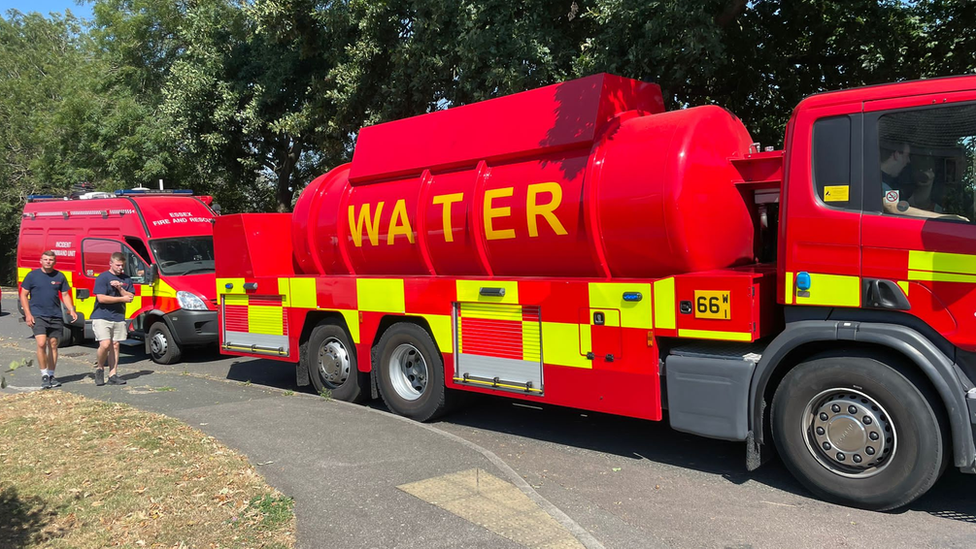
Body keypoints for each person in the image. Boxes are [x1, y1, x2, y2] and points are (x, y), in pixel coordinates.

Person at [19, 250, 78, 389]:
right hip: (38, 315)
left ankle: (51, 375)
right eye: (45, 259)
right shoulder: (32, 275)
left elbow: (65, 294)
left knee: (53, 345)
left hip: (55, 315)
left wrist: (71, 309)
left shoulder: (60, 276)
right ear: (41, 260)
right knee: (41, 343)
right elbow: (23, 295)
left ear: (54, 261)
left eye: (51, 260)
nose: (48, 262)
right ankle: (44, 374)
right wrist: (28, 314)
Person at [880, 142, 963, 220]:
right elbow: (893, 207)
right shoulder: (877, 181)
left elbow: (913, 204)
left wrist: (927, 184)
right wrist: (945, 218)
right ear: (897, 155)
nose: (908, 161)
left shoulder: (893, 182)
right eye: (906, 156)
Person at [92, 252, 134, 386]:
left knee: (115, 345)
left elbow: (130, 297)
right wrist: (122, 298)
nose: (121, 268)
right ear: (110, 264)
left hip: (118, 316)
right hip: (102, 316)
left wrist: (119, 287)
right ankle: (99, 369)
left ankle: (113, 374)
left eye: (122, 265)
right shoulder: (103, 277)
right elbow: (101, 298)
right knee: (105, 344)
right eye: (118, 265)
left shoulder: (126, 279)